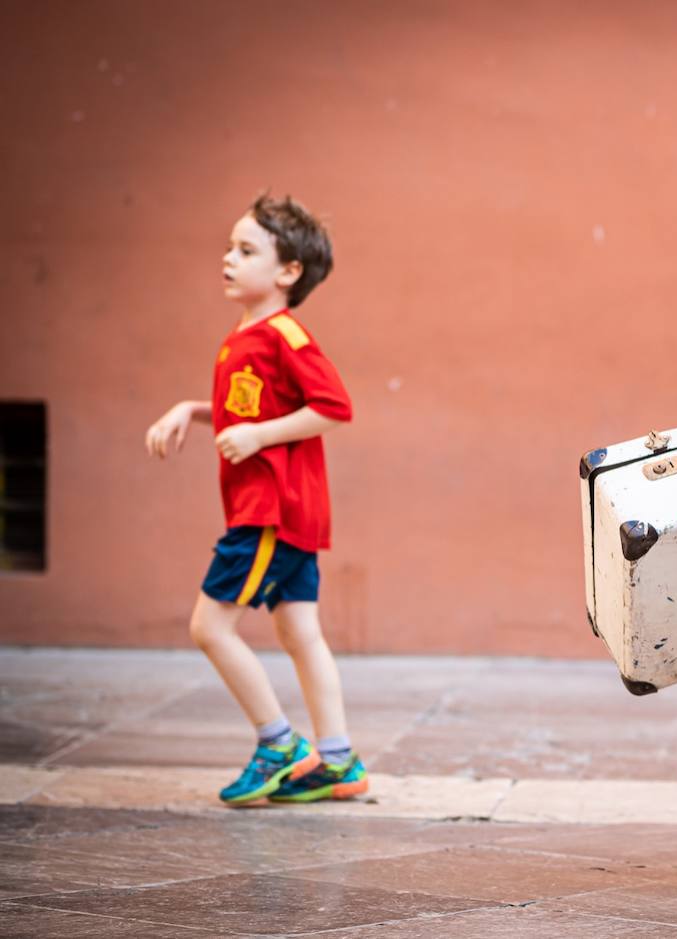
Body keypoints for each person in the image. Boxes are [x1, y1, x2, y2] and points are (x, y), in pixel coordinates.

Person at [144, 195, 368, 805]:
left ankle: (278, 744)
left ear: (288, 272)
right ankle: (338, 761)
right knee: (299, 631)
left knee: (208, 626)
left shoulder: (285, 335)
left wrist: (261, 437)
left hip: (270, 511)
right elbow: (244, 411)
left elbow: (334, 407)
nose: (228, 259)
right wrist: (190, 412)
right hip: (282, 512)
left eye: (246, 251)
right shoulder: (243, 336)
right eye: (229, 248)